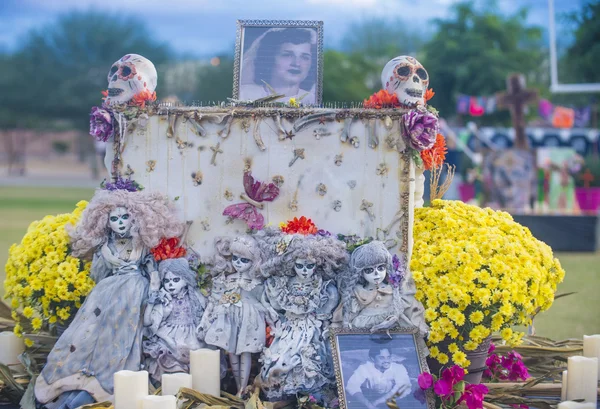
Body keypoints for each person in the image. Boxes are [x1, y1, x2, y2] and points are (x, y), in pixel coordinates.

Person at [143, 257, 207, 383]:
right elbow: (147, 322)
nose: (170, 284)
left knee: (196, 353)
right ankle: (172, 385)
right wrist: (158, 306)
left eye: (176, 280)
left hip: (191, 334)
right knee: (168, 352)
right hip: (169, 334)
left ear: (185, 280)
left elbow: (205, 313)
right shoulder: (164, 298)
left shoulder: (194, 297)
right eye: (166, 281)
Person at [239, 28, 317, 104]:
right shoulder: (245, 94)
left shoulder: (312, 100)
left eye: (305, 57)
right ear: (270, 58)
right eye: (287, 55)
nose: (297, 63)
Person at [346, 346, 411, 409]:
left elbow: (403, 387)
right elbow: (352, 386)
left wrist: (377, 402)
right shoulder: (364, 368)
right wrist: (369, 406)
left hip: (392, 398)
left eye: (388, 357)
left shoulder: (398, 368)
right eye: (382, 358)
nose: (386, 361)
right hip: (368, 398)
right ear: (372, 358)